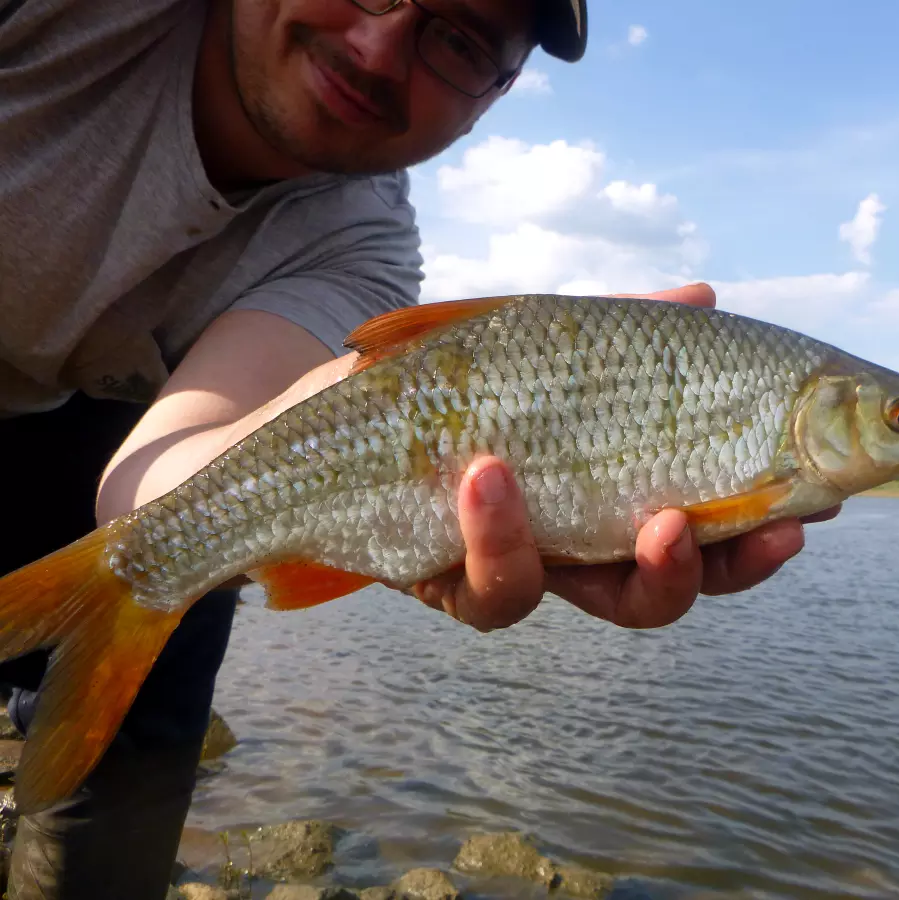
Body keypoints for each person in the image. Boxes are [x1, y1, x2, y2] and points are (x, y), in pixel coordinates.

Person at [0, 0, 840, 895]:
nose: (376, 46)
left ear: (498, 94)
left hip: (114, 427)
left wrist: (278, 492)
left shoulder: (366, 245)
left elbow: (156, 475)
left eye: (462, 40)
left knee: (115, 803)